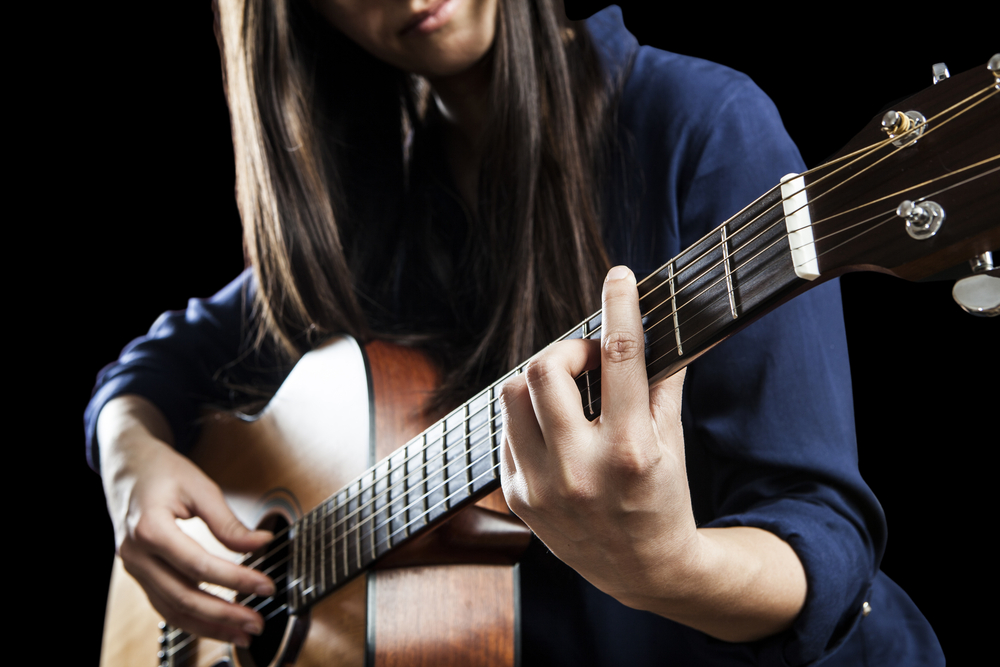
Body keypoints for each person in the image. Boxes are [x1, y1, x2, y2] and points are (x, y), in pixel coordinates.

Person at [86, 1, 944, 664]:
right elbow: (155, 364)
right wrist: (129, 455)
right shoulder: (367, 202)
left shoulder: (699, 124)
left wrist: (672, 564)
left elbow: (823, 532)